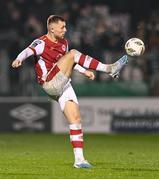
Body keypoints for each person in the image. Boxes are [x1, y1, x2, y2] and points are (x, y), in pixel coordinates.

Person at [12, 15, 128, 168]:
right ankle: (109, 68)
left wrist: (84, 71)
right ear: (52, 28)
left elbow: (69, 62)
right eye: (62, 27)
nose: (65, 30)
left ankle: (79, 160)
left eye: (65, 27)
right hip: (50, 82)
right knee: (73, 53)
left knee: (75, 119)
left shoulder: (63, 43)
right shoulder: (41, 42)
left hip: (63, 84)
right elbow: (28, 51)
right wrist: (18, 59)